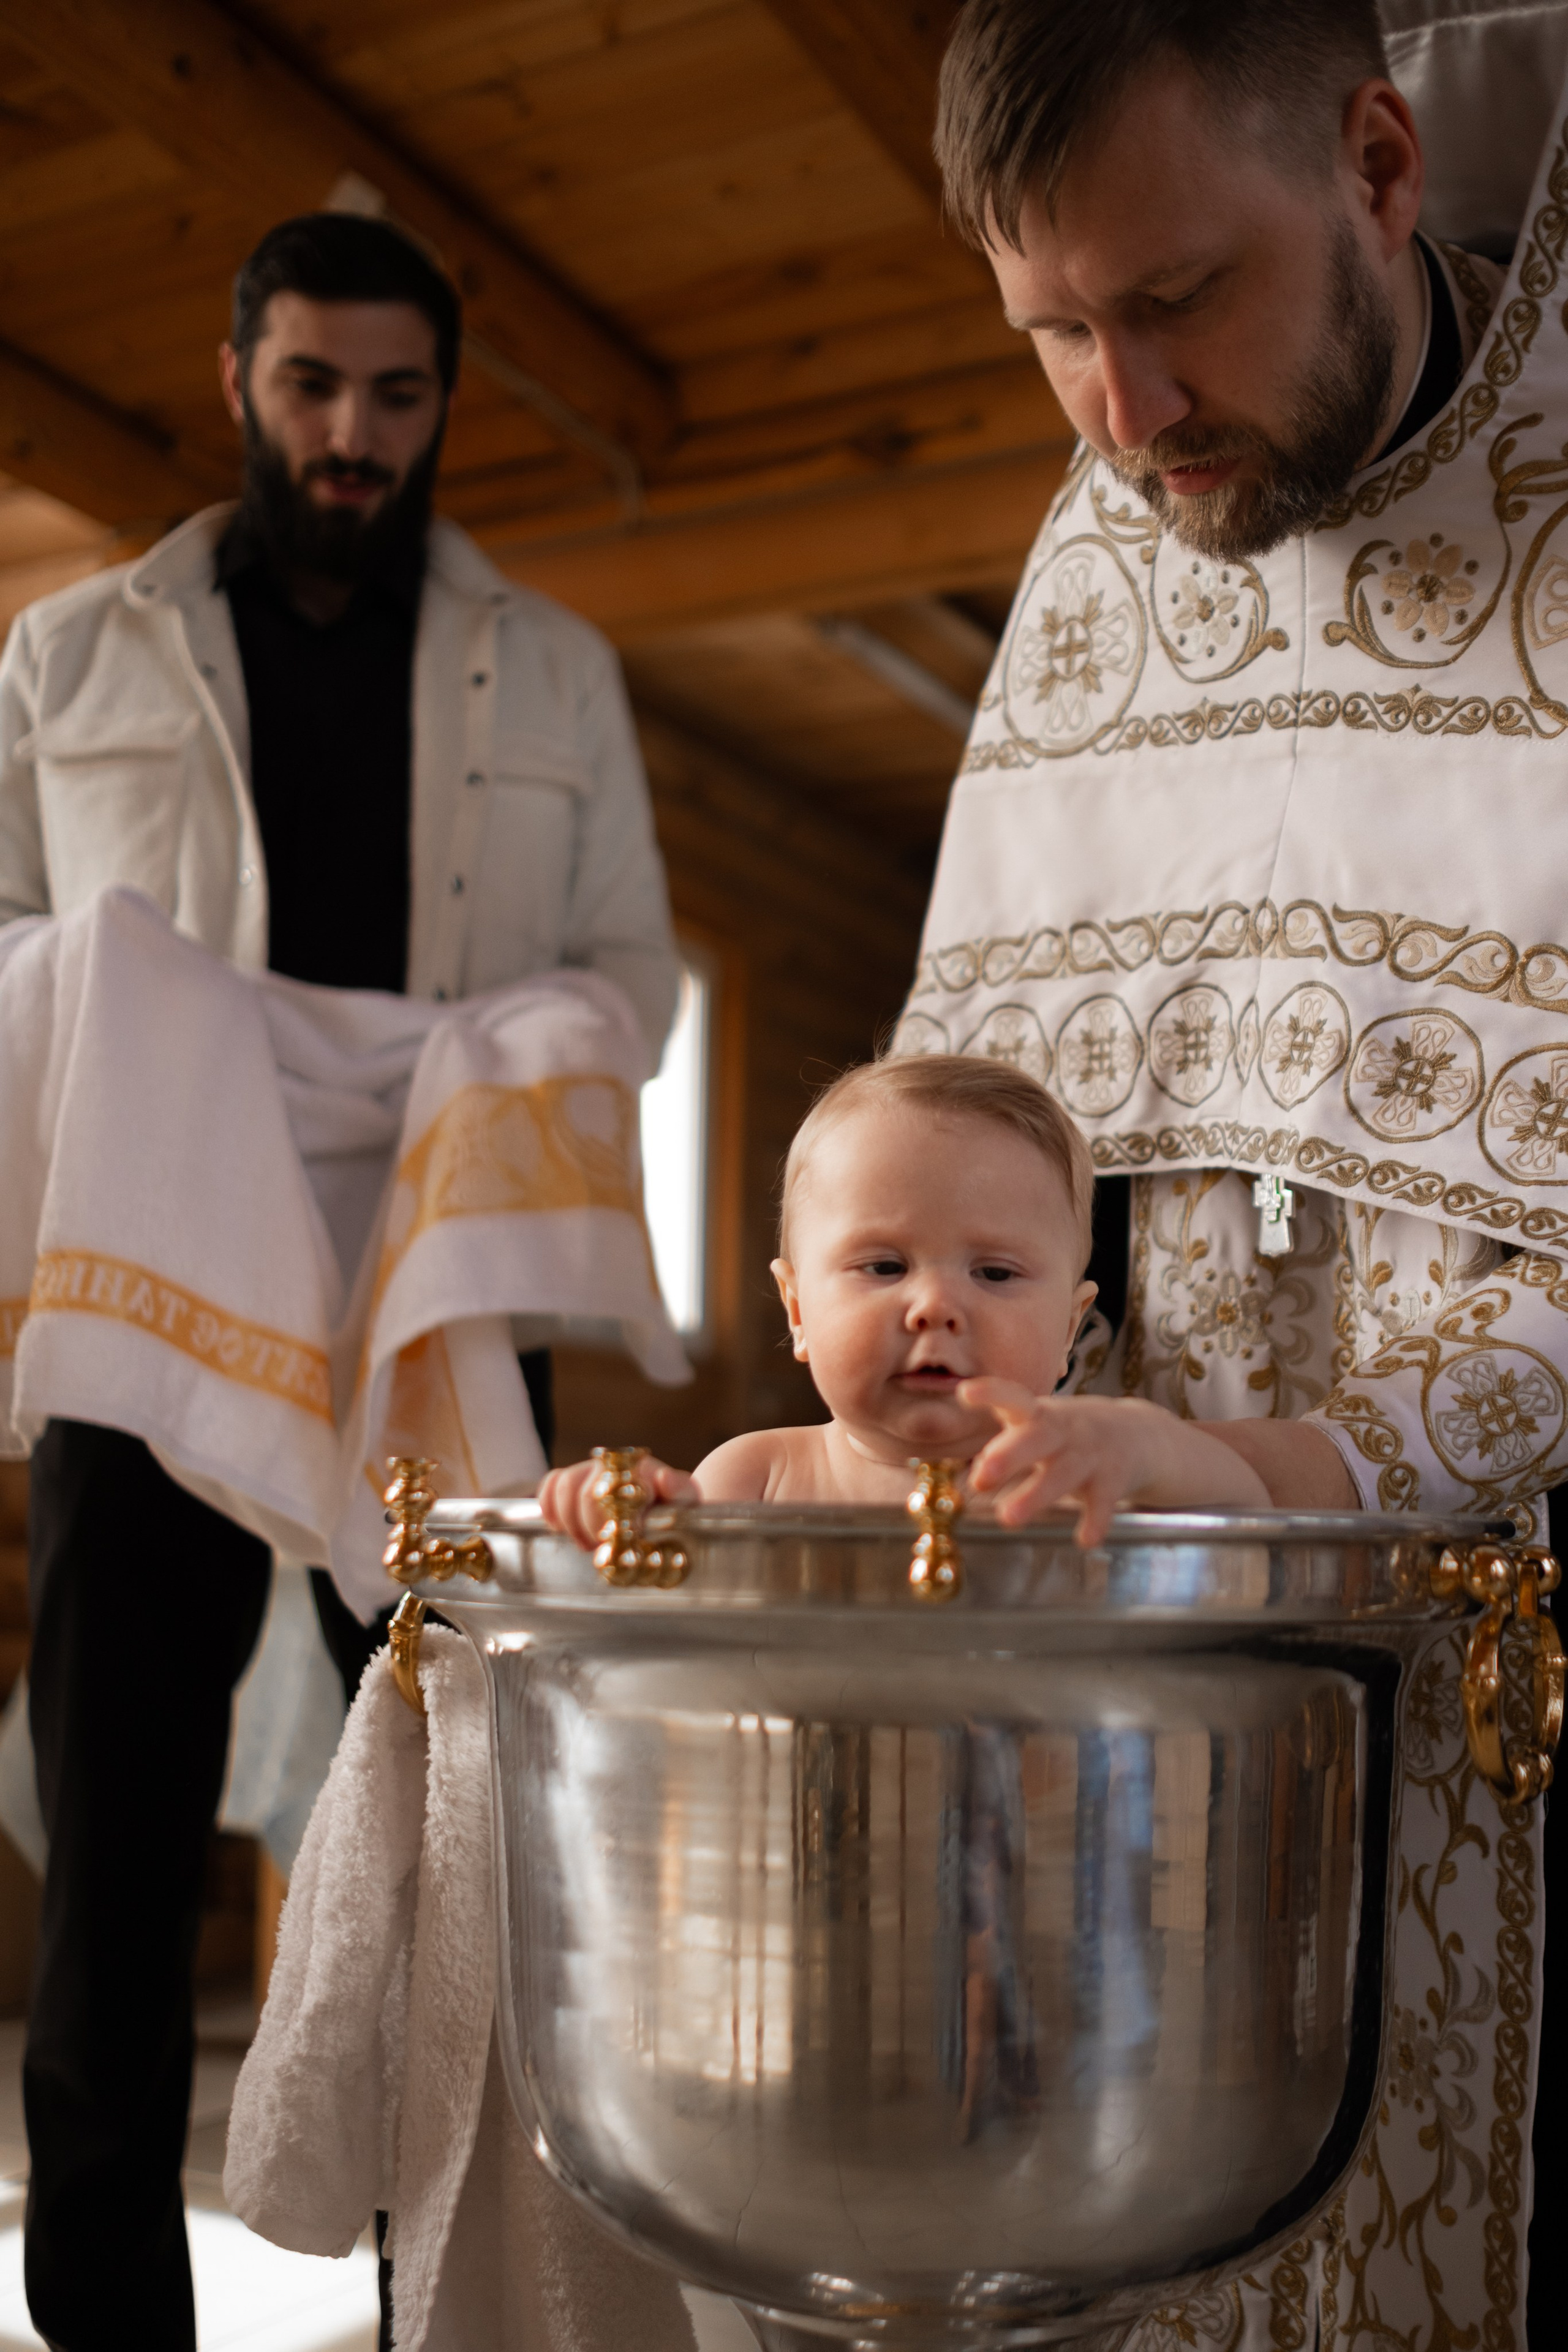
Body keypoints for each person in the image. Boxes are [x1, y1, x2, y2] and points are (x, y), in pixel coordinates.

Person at [899, 2, 1566, 2343]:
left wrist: (1263, 1467)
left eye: (1173, 299)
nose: (1118, 417)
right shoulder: (1097, 551)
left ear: (1377, 162)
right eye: (1049, 335)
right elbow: (962, 1157)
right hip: (1181, 1717)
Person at [0, 211, 677, 2352]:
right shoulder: (66, 658)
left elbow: (642, 983)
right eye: (311, 387)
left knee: (481, 1840)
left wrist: (491, 1057)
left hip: (441, 1307)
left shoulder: (556, 668)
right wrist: (152, 1010)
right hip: (161, 1304)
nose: (353, 435)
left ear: (444, 402)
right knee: (114, 1870)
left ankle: (467, 2315)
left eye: (398, 396)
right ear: (238, 381)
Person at [542, 1053, 1272, 1539]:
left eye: (994, 1274)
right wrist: (624, 1514)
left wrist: (1147, 1444)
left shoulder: (1078, 1477)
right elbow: (665, 1616)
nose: (933, 1306)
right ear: (797, 1311)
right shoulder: (758, 1476)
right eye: (885, 1267)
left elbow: (1250, 1518)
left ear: (1070, 1331)